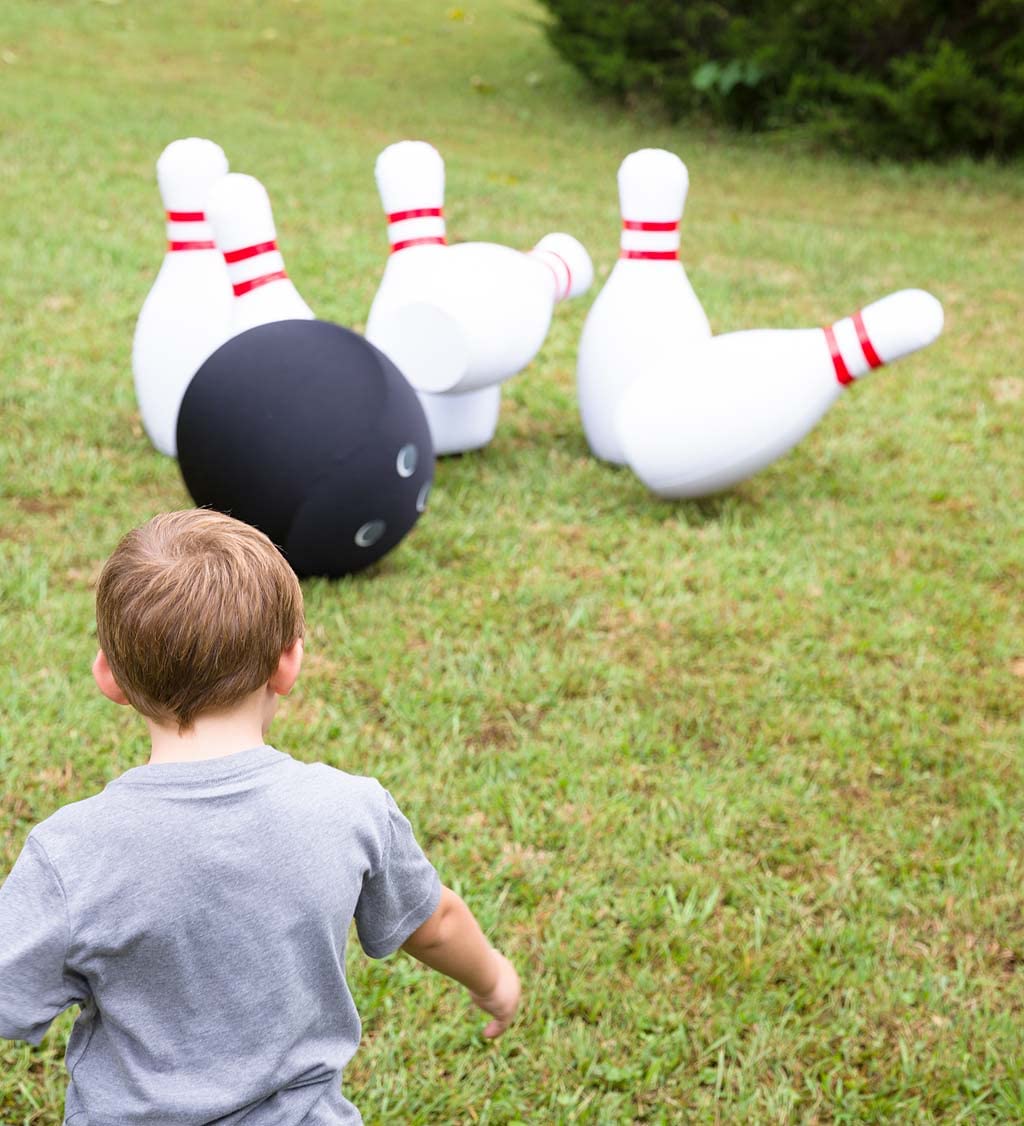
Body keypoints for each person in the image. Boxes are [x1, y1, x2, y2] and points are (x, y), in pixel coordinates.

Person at [0, 509, 520, 1125]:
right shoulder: (349, 809)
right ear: (288, 663)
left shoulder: (71, 854)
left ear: (108, 675)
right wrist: (493, 981)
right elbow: (433, 922)